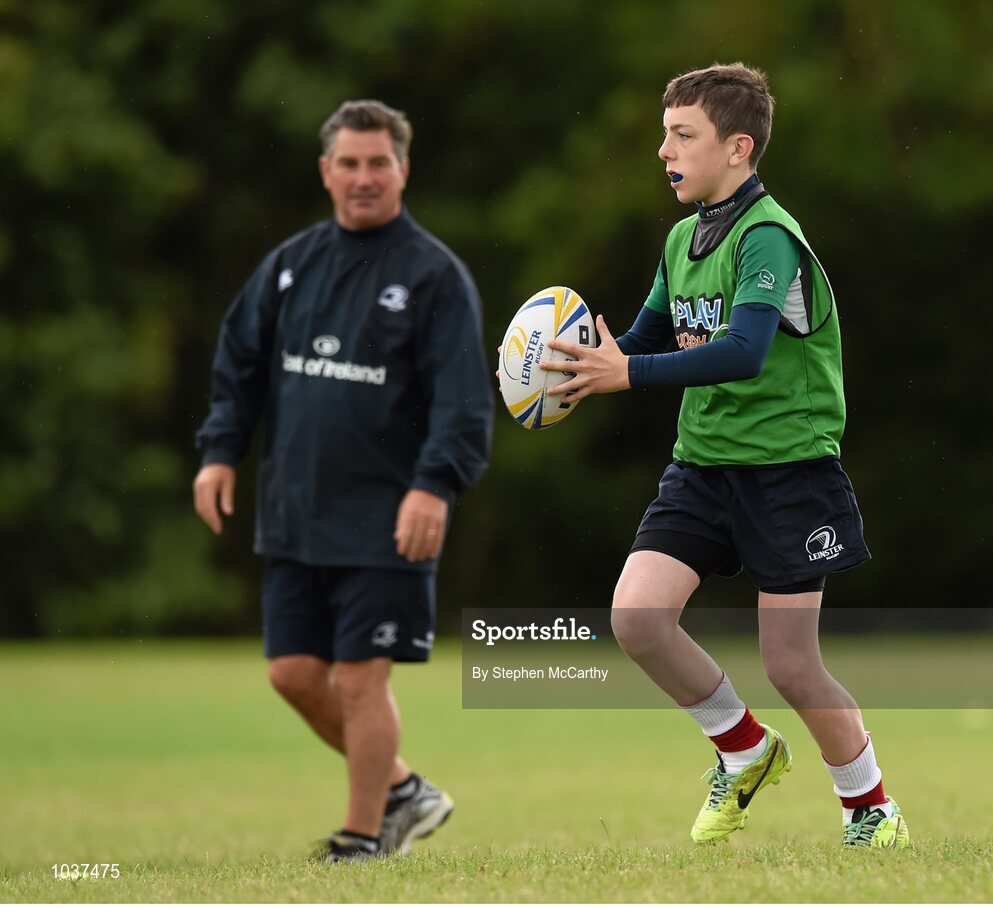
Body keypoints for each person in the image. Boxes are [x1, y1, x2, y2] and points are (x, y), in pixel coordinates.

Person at [540, 63, 908, 849]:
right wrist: (575, 365)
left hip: (788, 470)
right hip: (703, 465)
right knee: (637, 619)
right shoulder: (682, 237)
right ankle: (743, 748)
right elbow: (643, 337)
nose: (664, 150)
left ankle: (869, 807)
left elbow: (743, 350)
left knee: (791, 666)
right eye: (663, 135)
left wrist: (626, 374)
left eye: (683, 135)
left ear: (738, 148)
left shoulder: (768, 236)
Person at [193, 99, 493, 862]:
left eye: (378, 163)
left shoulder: (435, 277)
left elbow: (462, 398)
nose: (364, 177)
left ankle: (363, 838)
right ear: (326, 172)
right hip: (296, 508)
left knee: (361, 679)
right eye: (349, 163)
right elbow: (240, 363)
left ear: (403, 169)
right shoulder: (291, 266)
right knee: (292, 673)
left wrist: (434, 485)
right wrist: (220, 450)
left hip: (389, 513)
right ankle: (403, 790)